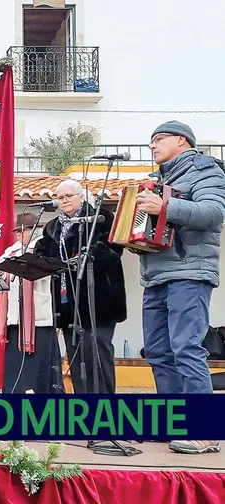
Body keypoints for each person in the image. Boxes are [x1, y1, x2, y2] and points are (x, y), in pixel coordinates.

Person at [138, 121, 225, 454]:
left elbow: (214, 213)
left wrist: (165, 207)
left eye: (158, 138)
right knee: (159, 352)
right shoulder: (159, 180)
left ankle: (204, 431)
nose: (153, 145)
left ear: (182, 140)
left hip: (190, 271)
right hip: (157, 274)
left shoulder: (206, 170)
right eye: (151, 140)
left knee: (186, 347)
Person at [34, 179, 126, 395]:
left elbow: (114, 251)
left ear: (81, 196)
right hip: (67, 303)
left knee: (96, 356)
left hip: (98, 300)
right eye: (60, 197)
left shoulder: (100, 218)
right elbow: (42, 253)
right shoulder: (52, 226)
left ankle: (104, 410)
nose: (64, 200)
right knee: (75, 356)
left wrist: (88, 254)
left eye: (69, 196)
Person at [0, 212, 63, 394]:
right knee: (15, 363)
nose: (19, 234)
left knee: (39, 362)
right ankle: (14, 394)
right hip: (15, 315)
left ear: (35, 230)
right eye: (17, 231)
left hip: (38, 315)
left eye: (23, 230)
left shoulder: (42, 247)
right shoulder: (11, 251)